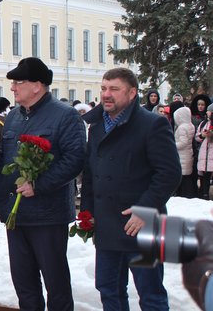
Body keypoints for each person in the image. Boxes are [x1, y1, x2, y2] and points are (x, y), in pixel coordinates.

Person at [80, 67, 181, 310]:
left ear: (132, 92)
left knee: (151, 294)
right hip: (107, 225)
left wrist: (144, 209)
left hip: (143, 224)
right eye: (104, 88)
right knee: (108, 290)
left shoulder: (152, 124)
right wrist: (87, 212)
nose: (106, 94)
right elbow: (92, 174)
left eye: (114, 89)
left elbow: (169, 173)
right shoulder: (96, 127)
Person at [0, 57, 86, 311]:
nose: (12, 88)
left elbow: (75, 159)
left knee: (55, 284)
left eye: (18, 82)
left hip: (48, 215)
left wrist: (40, 184)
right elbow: (4, 161)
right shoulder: (13, 117)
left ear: (37, 85)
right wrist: (2, 203)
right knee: (24, 283)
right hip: (17, 215)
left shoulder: (65, 116)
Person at [175, 106, 197, 198]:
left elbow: (183, 143)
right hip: (188, 153)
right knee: (187, 176)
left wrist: (172, 145)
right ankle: (188, 193)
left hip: (182, 156)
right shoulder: (190, 125)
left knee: (183, 177)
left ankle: (184, 195)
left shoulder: (182, 128)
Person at [196, 104, 213, 200]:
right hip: (205, 156)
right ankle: (204, 194)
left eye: (208, 111)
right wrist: (202, 135)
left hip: (211, 155)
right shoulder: (204, 123)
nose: (207, 112)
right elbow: (197, 137)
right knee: (205, 176)